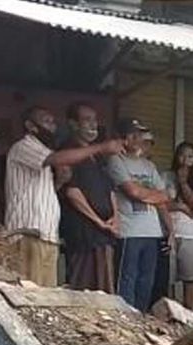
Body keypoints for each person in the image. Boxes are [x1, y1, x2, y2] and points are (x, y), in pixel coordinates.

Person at [4, 106, 121, 286]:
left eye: (53, 123)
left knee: (45, 296)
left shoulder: (46, 151)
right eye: (46, 122)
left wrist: (59, 182)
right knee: (28, 292)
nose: (52, 127)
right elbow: (58, 162)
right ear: (30, 125)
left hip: (47, 234)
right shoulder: (24, 146)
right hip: (27, 233)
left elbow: (44, 191)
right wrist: (100, 147)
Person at [105, 117, 171, 311]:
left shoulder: (149, 166)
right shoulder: (115, 161)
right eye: (133, 134)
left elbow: (165, 197)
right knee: (127, 278)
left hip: (152, 231)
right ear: (124, 137)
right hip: (129, 230)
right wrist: (152, 195)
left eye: (139, 135)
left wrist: (170, 229)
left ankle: (140, 318)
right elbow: (132, 192)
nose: (137, 138)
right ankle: (127, 318)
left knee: (146, 280)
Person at [58, 102, 120, 293]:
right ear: (73, 124)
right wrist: (98, 222)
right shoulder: (68, 151)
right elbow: (72, 193)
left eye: (94, 119)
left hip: (105, 232)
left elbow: (109, 189)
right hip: (83, 232)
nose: (93, 124)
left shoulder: (98, 156)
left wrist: (116, 218)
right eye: (87, 120)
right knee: (84, 288)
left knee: (105, 288)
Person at [164, 142, 193, 312]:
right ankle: (170, 316)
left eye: (190, 156)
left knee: (191, 279)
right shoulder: (166, 176)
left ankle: (191, 318)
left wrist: (183, 183)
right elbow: (159, 203)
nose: (185, 160)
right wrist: (181, 207)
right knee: (167, 278)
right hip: (168, 233)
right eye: (182, 155)